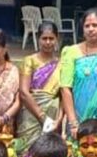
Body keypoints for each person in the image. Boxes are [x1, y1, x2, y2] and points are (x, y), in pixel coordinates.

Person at [59, 8, 97, 133]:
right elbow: (65, 88)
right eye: (87, 26)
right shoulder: (70, 52)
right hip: (78, 120)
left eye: (95, 25)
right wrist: (72, 122)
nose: (91, 29)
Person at [18, 21, 63, 149]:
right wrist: (42, 116)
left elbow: (63, 94)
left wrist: (58, 120)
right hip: (30, 112)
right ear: (38, 39)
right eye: (44, 38)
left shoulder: (61, 64)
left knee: (48, 151)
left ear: (57, 39)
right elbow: (24, 92)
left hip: (52, 115)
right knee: (26, 149)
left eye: (51, 38)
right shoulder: (29, 61)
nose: (48, 42)